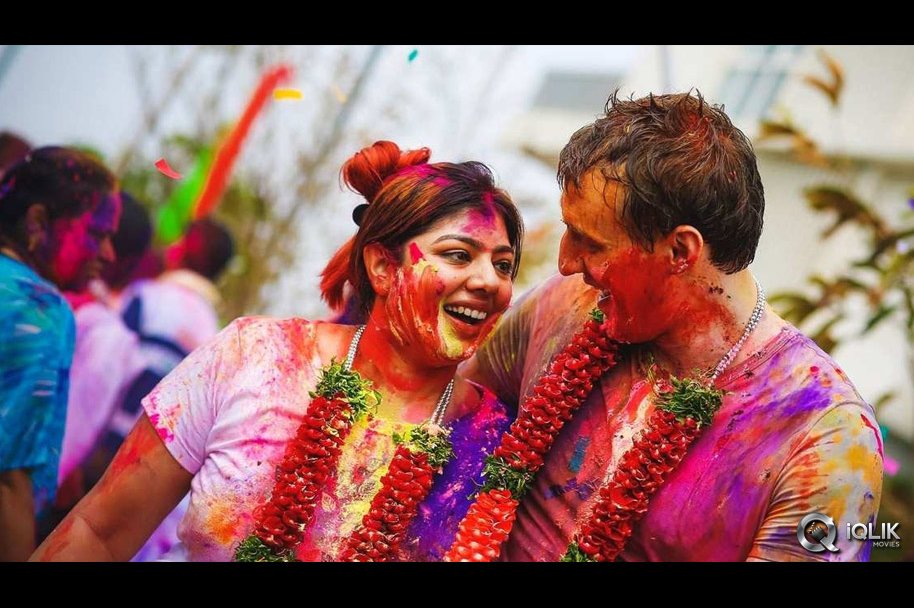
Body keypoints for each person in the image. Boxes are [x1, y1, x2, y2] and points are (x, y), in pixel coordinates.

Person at [33, 140, 524, 561]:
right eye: (459, 255)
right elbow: (99, 533)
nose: (489, 283)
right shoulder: (257, 354)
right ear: (381, 267)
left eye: (504, 266)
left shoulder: (495, 444)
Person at [462, 91, 883, 561]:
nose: (565, 262)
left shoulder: (822, 434)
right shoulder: (570, 304)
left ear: (681, 251)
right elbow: (451, 412)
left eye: (591, 242)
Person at [0, 147, 121, 561]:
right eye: (97, 234)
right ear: (37, 222)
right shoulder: (39, 309)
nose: (107, 254)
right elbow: (10, 476)